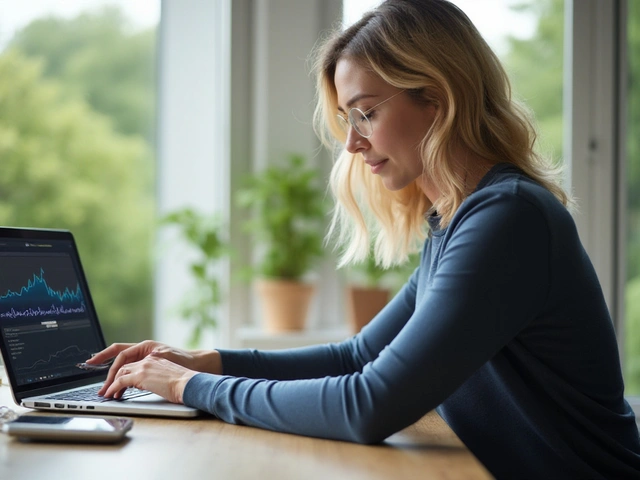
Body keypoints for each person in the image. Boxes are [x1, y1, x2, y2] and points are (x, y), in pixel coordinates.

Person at [87, 0, 640, 477]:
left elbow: (369, 404)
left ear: (438, 98)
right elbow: (360, 355)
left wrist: (187, 387)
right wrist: (208, 361)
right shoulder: (459, 217)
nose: (352, 143)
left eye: (366, 114)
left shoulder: (508, 218)